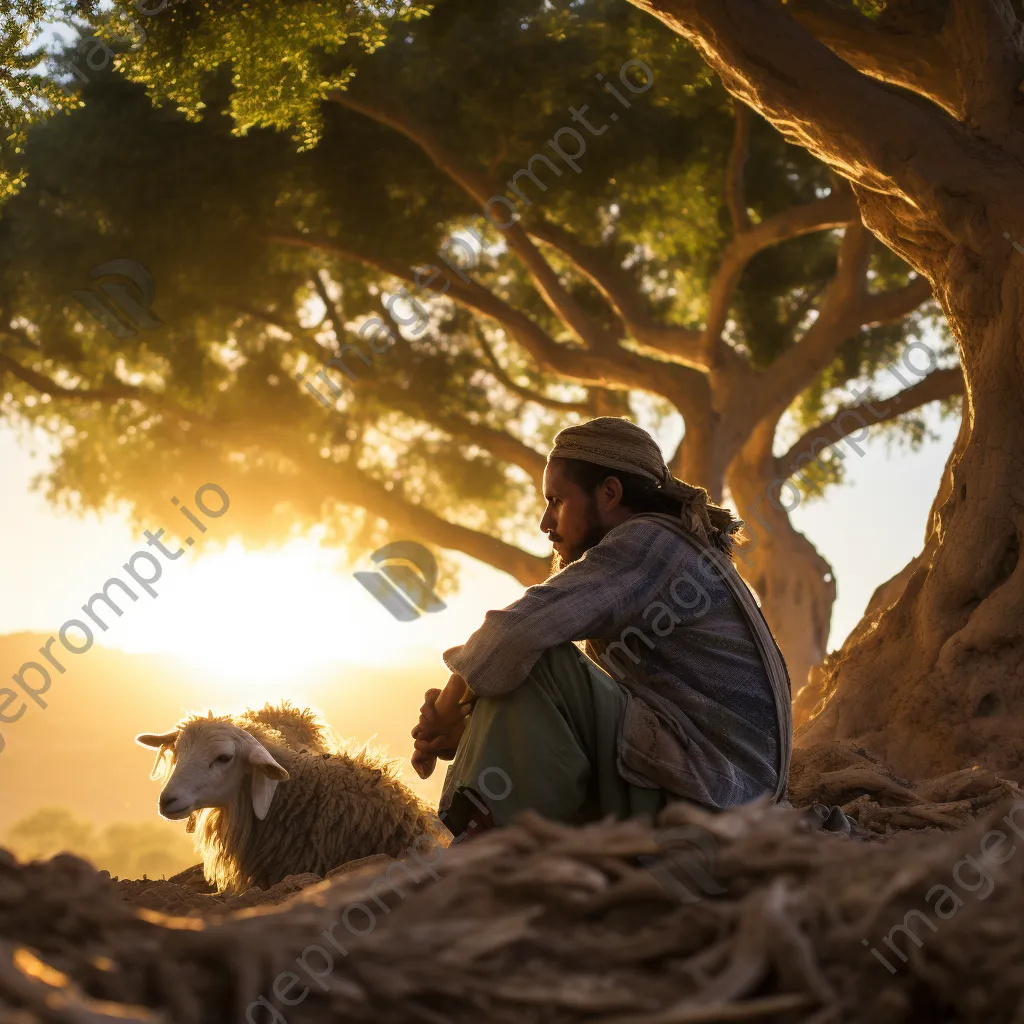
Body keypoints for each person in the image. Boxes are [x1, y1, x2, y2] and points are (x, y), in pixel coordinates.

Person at [410, 416, 793, 838]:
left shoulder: (651, 542)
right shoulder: (668, 546)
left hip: (718, 798)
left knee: (540, 661)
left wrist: (446, 711)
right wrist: (468, 726)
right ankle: (484, 835)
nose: (544, 522)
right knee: (514, 669)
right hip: (718, 788)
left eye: (556, 500)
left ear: (609, 494)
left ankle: (473, 849)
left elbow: (516, 632)